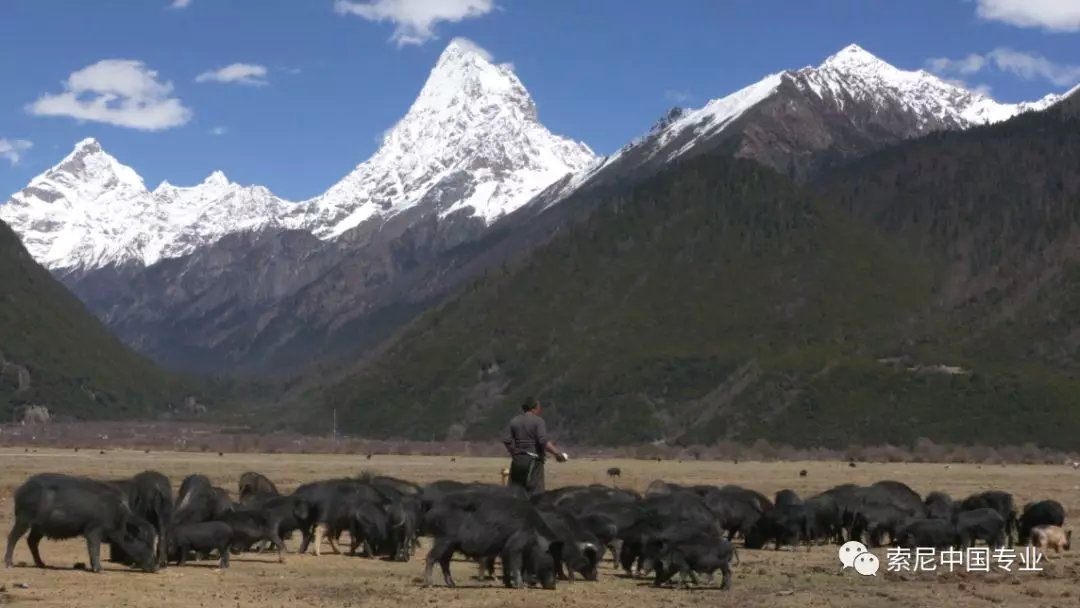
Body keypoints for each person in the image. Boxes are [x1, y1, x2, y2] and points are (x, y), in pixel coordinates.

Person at [502, 397, 567, 495]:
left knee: (515, 493)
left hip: (517, 462)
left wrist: (514, 453)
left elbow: (507, 441)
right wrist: (557, 453)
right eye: (539, 406)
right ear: (535, 407)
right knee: (536, 496)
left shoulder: (514, 421)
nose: (540, 409)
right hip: (533, 462)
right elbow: (543, 441)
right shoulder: (538, 421)